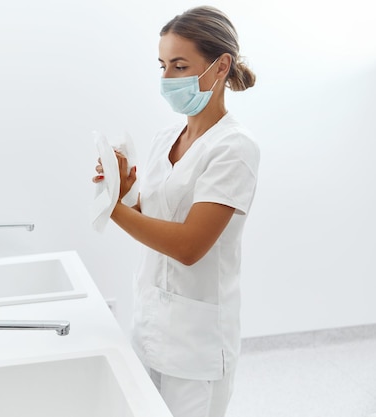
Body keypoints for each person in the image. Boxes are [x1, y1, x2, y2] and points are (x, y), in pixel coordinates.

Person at [93, 6, 260, 417]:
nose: (167, 79)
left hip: (197, 346)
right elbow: (157, 217)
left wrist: (110, 209)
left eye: (180, 66)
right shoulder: (167, 137)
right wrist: (126, 192)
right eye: (163, 65)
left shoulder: (234, 149)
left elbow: (188, 245)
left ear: (220, 67)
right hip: (150, 325)